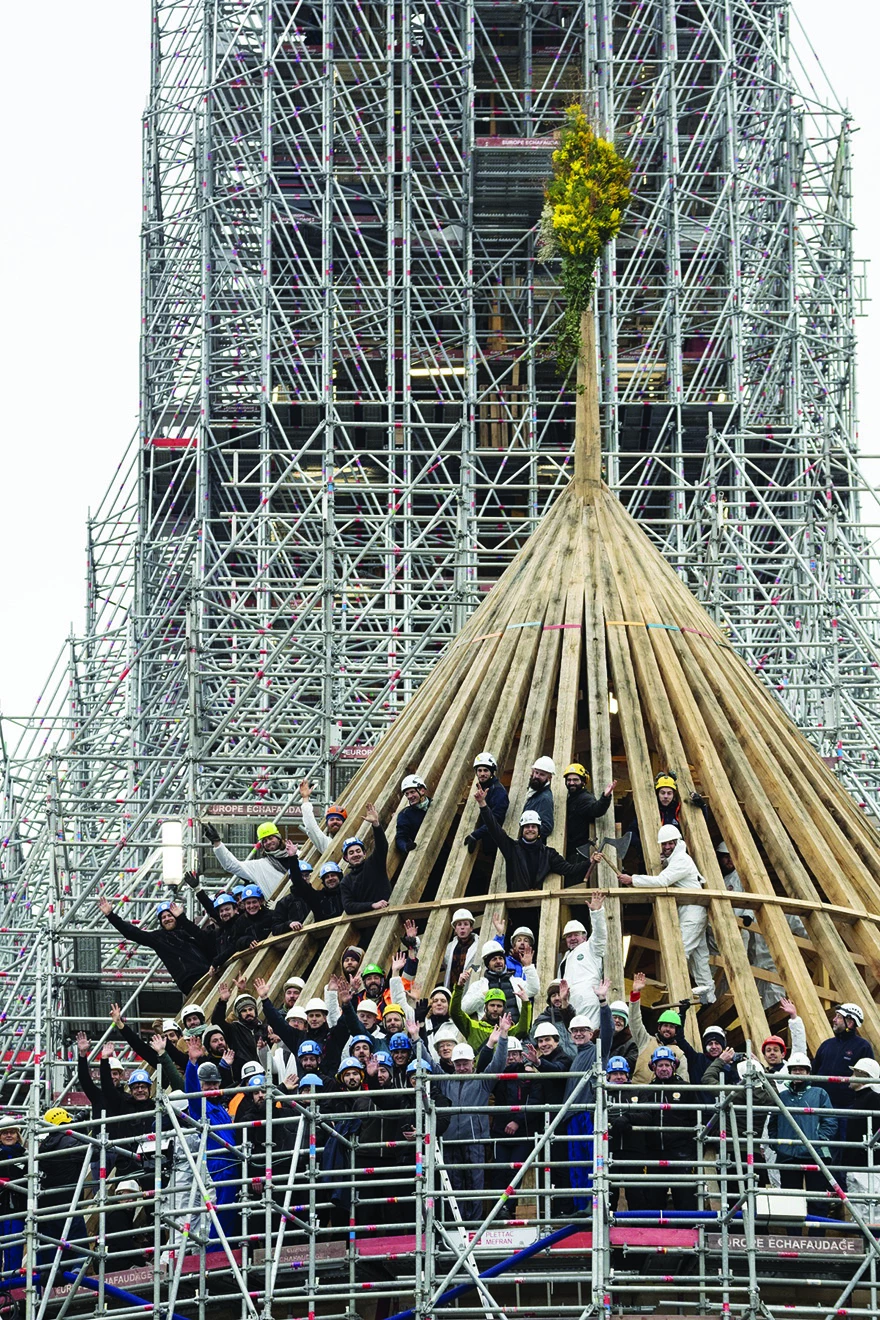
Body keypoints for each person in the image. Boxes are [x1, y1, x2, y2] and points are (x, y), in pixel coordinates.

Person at [615, 824, 715, 1003]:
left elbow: (663, 880)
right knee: (699, 959)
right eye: (664, 844)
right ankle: (709, 999)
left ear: (677, 842)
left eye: (670, 844)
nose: (667, 847)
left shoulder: (682, 861)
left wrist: (633, 879)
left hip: (693, 913)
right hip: (691, 912)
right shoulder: (676, 860)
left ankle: (679, 992)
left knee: (680, 952)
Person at [715, 841, 808, 1008]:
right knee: (736, 972)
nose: (729, 861)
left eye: (731, 858)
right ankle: (729, 1005)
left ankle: (773, 1012)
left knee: (769, 975)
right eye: (725, 857)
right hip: (740, 934)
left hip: (756, 932)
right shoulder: (720, 880)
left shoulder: (743, 877)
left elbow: (752, 896)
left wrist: (747, 915)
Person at [438, 1016, 510, 1222]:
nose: (462, 1067)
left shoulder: (482, 1082)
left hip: (475, 1141)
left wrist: (503, 1037)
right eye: (458, 1064)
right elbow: (429, 1064)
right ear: (452, 1064)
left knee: (475, 1183)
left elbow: (498, 1063)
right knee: (454, 1185)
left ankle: (474, 1225)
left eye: (465, 1063)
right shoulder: (444, 1082)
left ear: (472, 1063)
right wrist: (416, 1037)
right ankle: (458, 1225)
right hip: (450, 1142)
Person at [474, 790, 590, 917]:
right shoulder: (512, 848)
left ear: (538, 829)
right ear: (522, 829)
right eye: (527, 826)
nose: (530, 829)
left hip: (538, 909)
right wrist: (482, 803)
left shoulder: (548, 854)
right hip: (515, 909)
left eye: (533, 827)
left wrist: (590, 862)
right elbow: (493, 827)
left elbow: (569, 869)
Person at [97, 896, 212, 996]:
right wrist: (110, 915)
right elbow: (132, 933)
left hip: (208, 973)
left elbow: (206, 940)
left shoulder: (189, 931)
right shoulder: (159, 938)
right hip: (189, 980)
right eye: (163, 917)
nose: (167, 919)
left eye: (169, 915)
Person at [184, 1039, 240, 1241]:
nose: (213, 1088)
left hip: (232, 1165)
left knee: (232, 1213)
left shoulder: (221, 1110)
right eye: (208, 1084)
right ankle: (215, 1255)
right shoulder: (201, 1108)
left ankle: (225, 1255)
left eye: (215, 1084)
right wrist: (192, 1063)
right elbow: (192, 1092)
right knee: (220, 1213)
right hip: (218, 1167)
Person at [769, 1053, 837, 1217]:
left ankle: (816, 1240)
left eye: (802, 1070)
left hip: (815, 1155)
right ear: (789, 1072)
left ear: (808, 1073)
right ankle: (793, 1239)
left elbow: (830, 1121)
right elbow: (773, 1124)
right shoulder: (782, 1097)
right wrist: (777, 1145)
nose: (798, 1073)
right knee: (791, 1202)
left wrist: (817, 1141)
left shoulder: (819, 1093)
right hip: (788, 1155)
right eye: (794, 1070)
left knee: (817, 1200)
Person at [641, 1047, 699, 1210]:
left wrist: (690, 1149)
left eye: (667, 1065)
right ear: (653, 1067)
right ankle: (655, 1234)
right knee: (653, 1198)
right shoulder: (647, 1091)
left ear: (674, 1066)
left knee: (685, 1197)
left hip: (680, 1152)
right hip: (653, 1152)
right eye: (660, 1065)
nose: (664, 1069)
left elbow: (695, 1118)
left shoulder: (686, 1089)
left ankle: (688, 1233)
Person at [202, 819, 297, 900]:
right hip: (281, 913)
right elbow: (231, 865)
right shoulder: (260, 866)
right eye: (264, 841)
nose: (268, 842)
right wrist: (217, 843)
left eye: (270, 838)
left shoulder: (298, 854)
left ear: (279, 837)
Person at [604, 1058, 648, 1213]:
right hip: (610, 1150)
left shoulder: (638, 1091)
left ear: (628, 1075)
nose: (619, 1077)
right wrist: (614, 1124)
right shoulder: (602, 1093)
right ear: (608, 1076)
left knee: (636, 1192)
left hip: (634, 1149)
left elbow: (647, 1114)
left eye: (622, 1073)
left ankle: (638, 1228)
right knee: (609, 1192)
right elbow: (594, 1116)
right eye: (614, 1074)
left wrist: (628, 1118)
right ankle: (608, 1228)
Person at [556, 893, 608, 1024]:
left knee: (591, 1034)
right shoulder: (565, 959)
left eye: (576, 935)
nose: (572, 938)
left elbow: (600, 934)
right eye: (569, 936)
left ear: (584, 937)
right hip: (570, 1003)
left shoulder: (590, 947)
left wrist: (596, 913)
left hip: (589, 999)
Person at [814, 1004, 875, 1111]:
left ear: (850, 1022)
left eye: (839, 1017)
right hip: (822, 1105)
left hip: (847, 1108)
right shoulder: (826, 1045)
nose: (834, 1019)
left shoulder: (863, 1047)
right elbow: (813, 1071)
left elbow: (869, 1078)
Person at [451, 972, 532, 1050]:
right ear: (485, 1007)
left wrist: (525, 1003)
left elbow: (523, 1028)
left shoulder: (508, 1031)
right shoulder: (472, 1027)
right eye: (492, 1005)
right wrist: (459, 987)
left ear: (504, 1008)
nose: (495, 1009)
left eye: (499, 1006)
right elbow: (455, 1013)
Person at [461, 941, 536, 1019]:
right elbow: (464, 1008)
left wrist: (528, 966)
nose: (498, 961)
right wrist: (482, 996)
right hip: (490, 1030)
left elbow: (533, 989)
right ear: (488, 964)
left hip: (515, 1029)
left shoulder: (517, 982)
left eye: (501, 958)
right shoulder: (478, 986)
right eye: (494, 959)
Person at [340, 804, 392, 914]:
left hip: (385, 915)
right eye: (351, 853)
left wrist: (376, 824)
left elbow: (382, 847)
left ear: (364, 853)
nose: (355, 854)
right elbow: (348, 906)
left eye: (358, 851)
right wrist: (372, 905)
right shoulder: (346, 881)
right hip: (364, 925)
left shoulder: (374, 864)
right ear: (346, 858)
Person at [845, 1059, 880, 1221]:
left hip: (868, 1165)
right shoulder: (862, 1099)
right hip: (859, 1164)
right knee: (861, 1212)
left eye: (854, 1073)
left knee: (868, 1212)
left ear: (863, 1075)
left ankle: (872, 1246)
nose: (851, 1077)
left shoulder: (873, 1099)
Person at [563, 764, 616, 863]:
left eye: (575, 780)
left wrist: (605, 797)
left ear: (583, 781)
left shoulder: (585, 798)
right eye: (569, 780)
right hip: (569, 849)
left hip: (577, 853)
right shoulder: (570, 797)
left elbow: (596, 810)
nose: (571, 783)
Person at [463, 752, 509, 854]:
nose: (482, 774)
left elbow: (496, 820)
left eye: (485, 770)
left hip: (496, 842)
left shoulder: (498, 792)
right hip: (487, 837)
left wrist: (476, 835)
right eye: (479, 770)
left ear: (492, 772)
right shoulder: (483, 787)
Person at [631, 1007, 690, 1084]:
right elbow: (635, 1022)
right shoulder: (646, 1041)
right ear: (659, 1028)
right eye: (665, 1025)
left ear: (676, 1032)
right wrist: (635, 1001)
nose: (668, 1029)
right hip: (638, 1091)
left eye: (672, 1027)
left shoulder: (679, 1054)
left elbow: (683, 1082)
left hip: (664, 1094)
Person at [0, 1120, 26, 1282]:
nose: (9, 1135)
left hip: (16, 1210)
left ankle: (11, 1293)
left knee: (13, 1252)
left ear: (18, 1136)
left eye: (12, 1132)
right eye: (4, 1132)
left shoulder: (26, 1155)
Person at [299, 779, 347, 852]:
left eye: (338, 819)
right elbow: (311, 827)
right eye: (331, 819)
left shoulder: (352, 840)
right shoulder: (327, 843)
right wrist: (305, 799)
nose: (335, 821)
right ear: (327, 824)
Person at [442, 909, 481, 987]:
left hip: (471, 989)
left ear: (471, 928)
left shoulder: (479, 945)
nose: (462, 927)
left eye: (466, 924)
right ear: (455, 929)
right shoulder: (449, 948)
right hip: (453, 989)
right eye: (459, 924)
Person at [522, 756, 556, 838]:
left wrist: (530, 835)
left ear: (549, 778)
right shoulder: (535, 792)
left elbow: (546, 827)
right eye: (536, 772)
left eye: (542, 774)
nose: (537, 776)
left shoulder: (544, 798)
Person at [395, 774, 431, 854]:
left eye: (412, 792)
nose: (409, 796)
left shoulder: (435, 804)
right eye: (407, 794)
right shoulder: (405, 815)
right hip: (424, 854)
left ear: (422, 790)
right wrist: (406, 846)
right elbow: (400, 838)